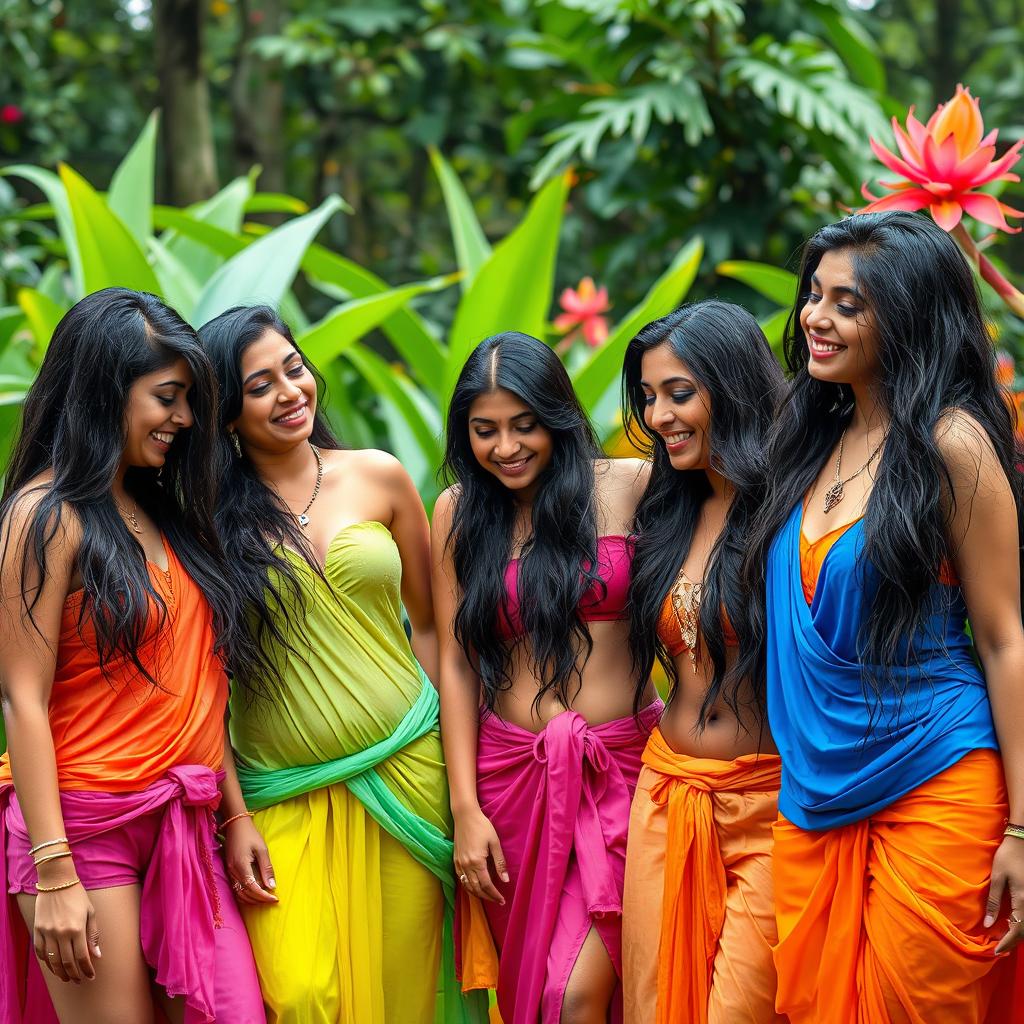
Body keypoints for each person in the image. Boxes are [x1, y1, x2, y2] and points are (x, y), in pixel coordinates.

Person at [745, 210, 1024, 1022]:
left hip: (937, 778)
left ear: (907, 315)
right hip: (814, 795)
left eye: (848, 304)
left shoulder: (953, 444)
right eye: (815, 296)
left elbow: (1005, 639)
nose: (815, 319)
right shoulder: (805, 432)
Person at [198, 305, 480, 1024]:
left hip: (409, 778)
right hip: (283, 792)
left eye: (294, 369)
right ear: (226, 414)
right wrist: (233, 819)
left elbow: (436, 635)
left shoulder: (378, 477)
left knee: (408, 994)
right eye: (259, 386)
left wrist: (463, 793)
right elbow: (198, 688)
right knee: (299, 995)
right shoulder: (204, 520)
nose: (289, 393)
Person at [0, 288, 264, 1023]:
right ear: (104, 393)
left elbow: (202, 686)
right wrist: (54, 874)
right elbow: (22, 697)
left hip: (186, 822)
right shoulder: (44, 516)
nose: (184, 420)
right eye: (168, 397)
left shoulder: (160, 510)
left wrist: (235, 816)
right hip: (84, 831)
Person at [433, 331, 660, 1024]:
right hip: (511, 786)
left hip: (622, 771)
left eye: (524, 424)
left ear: (557, 416)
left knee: (574, 991)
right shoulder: (458, 514)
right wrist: (466, 810)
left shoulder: (632, 485)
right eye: (485, 430)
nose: (507, 447)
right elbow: (454, 663)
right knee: (534, 993)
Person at [619, 301, 786, 1024]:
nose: (659, 415)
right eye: (650, 397)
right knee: (656, 1005)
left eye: (679, 393)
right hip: (666, 796)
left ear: (734, 384)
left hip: (772, 805)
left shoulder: (794, 507)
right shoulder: (664, 506)